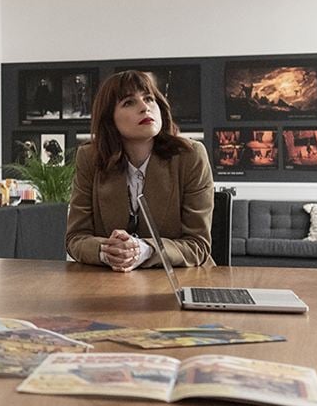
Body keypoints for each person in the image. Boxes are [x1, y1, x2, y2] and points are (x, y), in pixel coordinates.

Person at [66, 70, 213, 272]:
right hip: (111, 283)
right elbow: (76, 238)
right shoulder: (90, 159)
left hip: (181, 280)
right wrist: (107, 251)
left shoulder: (191, 156)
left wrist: (143, 250)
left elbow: (198, 245)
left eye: (149, 99)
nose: (145, 108)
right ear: (110, 119)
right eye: (129, 102)